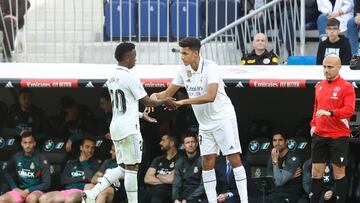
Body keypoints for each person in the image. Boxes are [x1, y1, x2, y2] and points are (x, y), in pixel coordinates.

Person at [151, 37, 248, 203]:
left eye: (185, 53)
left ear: (195, 53)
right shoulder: (183, 70)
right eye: (181, 52)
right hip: (205, 124)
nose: (182, 56)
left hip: (223, 118)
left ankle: (245, 201)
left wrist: (182, 102)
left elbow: (210, 96)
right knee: (207, 160)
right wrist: (152, 98)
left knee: (233, 158)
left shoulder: (212, 67)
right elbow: (167, 93)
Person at [81, 42, 175, 203]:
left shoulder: (112, 77)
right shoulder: (130, 77)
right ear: (127, 57)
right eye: (134, 55)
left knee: (123, 167)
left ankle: (92, 193)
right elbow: (148, 102)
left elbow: (122, 106)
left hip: (117, 126)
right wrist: (164, 100)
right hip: (129, 129)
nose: (136, 58)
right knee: (132, 168)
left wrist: (140, 115)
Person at [309, 54, 355, 203]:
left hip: (338, 136)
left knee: (338, 172)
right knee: (316, 173)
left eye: (330, 67)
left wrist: (330, 113)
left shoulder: (347, 87)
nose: (326, 70)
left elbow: (349, 110)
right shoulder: (319, 85)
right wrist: (313, 124)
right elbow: (316, 107)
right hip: (320, 135)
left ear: (339, 67)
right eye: (324, 67)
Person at [39, 136, 101, 203]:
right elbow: (63, 180)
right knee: (43, 198)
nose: (90, 150)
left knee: (70, 199)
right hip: (68, 191)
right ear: (81, 147)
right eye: (87, 147)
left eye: (92, 148)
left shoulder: (96, 164)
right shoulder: (71, 162)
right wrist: (82, 178)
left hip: (82, 191)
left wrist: (84, 162)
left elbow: (91, 179)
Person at [250, 131, 303, 203]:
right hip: (275, 193)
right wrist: (290, 177)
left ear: (286, 141)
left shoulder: (292, 157)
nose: (277, 143)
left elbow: (278, 182)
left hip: (289, 194)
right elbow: (271, 181)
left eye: (280, 140)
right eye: (274, 140)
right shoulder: (272, 157)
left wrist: (275, 162)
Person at [0, 131, 51, 203]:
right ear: (21, 144)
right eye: (25, 142)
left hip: (36, 191)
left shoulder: (42, 159)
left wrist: (29, 190)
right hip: (20, 190)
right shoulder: (16, 157)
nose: (28, 145)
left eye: (30, 142)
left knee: (32, 198)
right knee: (2, 199)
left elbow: (47, 184)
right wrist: (14, 187)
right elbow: (6, 171)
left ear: (34, 143)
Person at [144, 133, 180, 203]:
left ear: (172, 143)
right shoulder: (158, 159)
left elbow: (172, 179)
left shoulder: (180, 159)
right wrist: (164, 180)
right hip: (154, 189)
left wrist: (157, 176)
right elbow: (147, 179)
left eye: (163, 140)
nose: (160, 143)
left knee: (157, 199)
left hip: (169, 191)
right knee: (139, 197)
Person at [172, 132, 206, 203]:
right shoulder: (180, 162)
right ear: (184, 145)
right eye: (187, 142)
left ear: (196, 144)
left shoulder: (203, 160)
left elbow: (203, 186)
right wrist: (176, 199)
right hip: (183, 197)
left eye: (192, 142)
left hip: (199, 197)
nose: (190, 145)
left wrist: (187, 199)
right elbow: (176, 184)